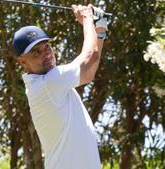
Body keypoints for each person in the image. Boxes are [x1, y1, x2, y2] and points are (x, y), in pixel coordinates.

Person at [12, 4, 108, 169]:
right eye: (36, 52)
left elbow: (89, 71)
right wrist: (87, 19)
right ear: (22, 62)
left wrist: (100, 28)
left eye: (47, 46)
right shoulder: (48, 84)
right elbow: (90, 57)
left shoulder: (50, 83)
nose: (46, 53)